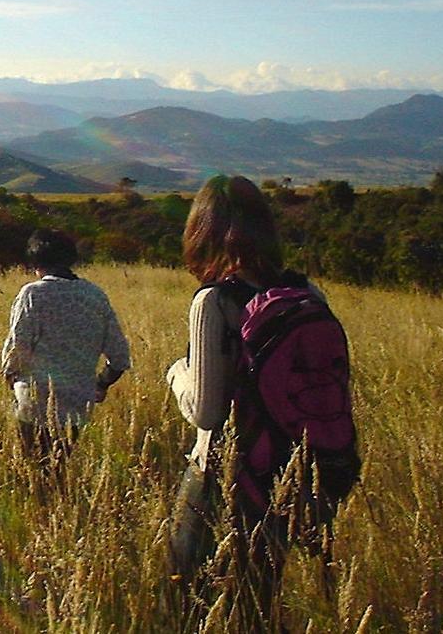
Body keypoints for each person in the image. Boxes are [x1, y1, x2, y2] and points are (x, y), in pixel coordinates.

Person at [166, 174, 329, 627]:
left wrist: (177, 374)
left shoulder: (215, 301)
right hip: (285, 470)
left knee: (191, 596)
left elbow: (207, 411)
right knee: (259, 597)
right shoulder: (305, 293)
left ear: (203, 231)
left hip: (219, 473)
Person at [0, 228, 131, 486]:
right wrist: (100, 384)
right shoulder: (95, 295)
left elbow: (17, 348)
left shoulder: (33, 294)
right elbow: (119, 357)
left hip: (35, 401)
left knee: (33, 474)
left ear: (36, 262)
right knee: (59, 471)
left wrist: (12, 379)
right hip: (77, 403)